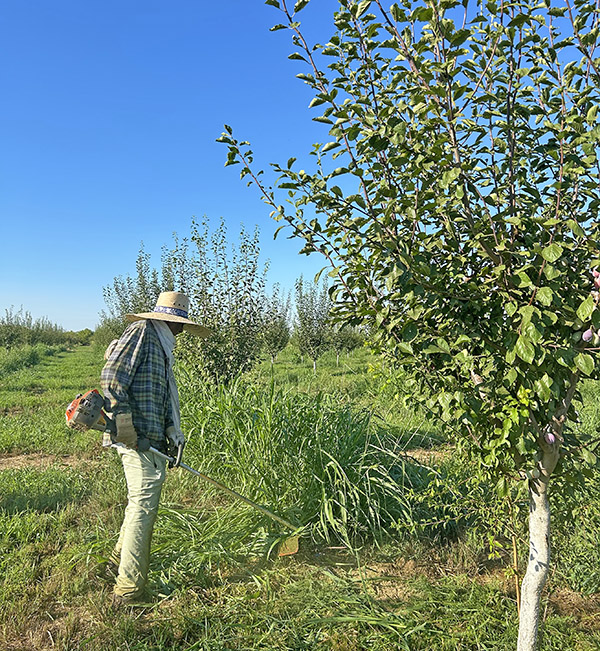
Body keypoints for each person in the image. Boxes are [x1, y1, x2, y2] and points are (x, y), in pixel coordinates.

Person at [100, 291, 210, 604]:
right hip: (135, 438)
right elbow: (113, 377)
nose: (181, 330)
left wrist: (169, 436)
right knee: (143, 506)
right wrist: (126, 427)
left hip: (150, 439)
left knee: (139, 503)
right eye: (179, 323)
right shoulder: (143, 333)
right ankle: (129, 590)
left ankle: (115, 563)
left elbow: (158, 397)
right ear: (166, 319)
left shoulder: (161, 345)